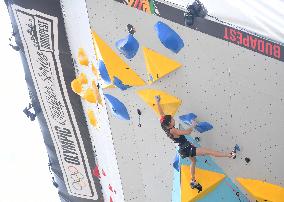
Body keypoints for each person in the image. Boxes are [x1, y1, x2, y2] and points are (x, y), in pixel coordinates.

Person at [155, 95, 236, 189]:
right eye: (172, 120)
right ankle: (230, 155)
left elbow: (161, 115)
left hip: (183, 148)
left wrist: (157, 102)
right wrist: (193, 125)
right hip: (187, 148)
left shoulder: (165, 126)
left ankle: (192, 180)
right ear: (169, 123)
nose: (174, 119)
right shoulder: (173, 131)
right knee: (208, 151)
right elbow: (187, 132)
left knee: (193, 161)